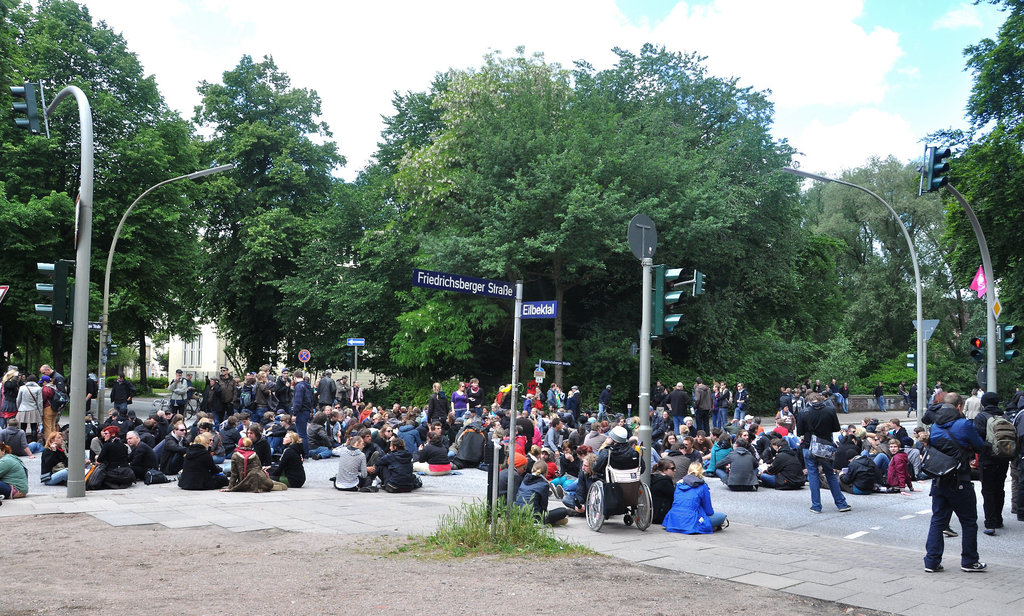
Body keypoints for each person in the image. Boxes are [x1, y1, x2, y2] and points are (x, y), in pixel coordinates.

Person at [924, 394, 989, 573]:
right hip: (959, 479)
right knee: (968, 521)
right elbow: (980, 446)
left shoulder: (935, 425)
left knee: (938, 521)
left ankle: (931, 562)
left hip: (938, 479)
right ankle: (969, 561)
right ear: (959, 407)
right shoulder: (964, 425)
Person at [797, 392, 851, 514]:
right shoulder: (830, 410)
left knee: (813, 475)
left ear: (809, 401)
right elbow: (836, 428)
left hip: (809, 446)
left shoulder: (803, 413)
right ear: (819, 399)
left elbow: (800, 432)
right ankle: (841, 503)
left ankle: (816, 506)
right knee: (830, 475)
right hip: (826, 446)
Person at [973, 392, 1010, 536]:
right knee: (999, 488)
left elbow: (977, 438)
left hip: (988, 459)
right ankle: (999, 519)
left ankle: (990, 522)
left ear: (983, 403)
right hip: (1003, 458)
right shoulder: (1005, 417)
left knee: (987, 490)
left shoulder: (981, 417)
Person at [663, 462, 727, 533]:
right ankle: (712, 526)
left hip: (674, 519)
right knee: (722, 516)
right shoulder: (703, 486)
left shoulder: (678, 484)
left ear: (688, 471)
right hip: (691, 520)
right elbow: (709, 511)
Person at [515, 460, 569, 526]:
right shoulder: (544, 484)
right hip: (535, 518)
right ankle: (550, 522)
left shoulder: (524, 480)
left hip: (519, 516)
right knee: (563, 511)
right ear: (546, 472)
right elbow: (544, 506)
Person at [15, 375, 44, 443]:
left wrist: (18, 408)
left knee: (22, 427)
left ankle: (22, 442)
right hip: (33, 409)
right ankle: (34, 442)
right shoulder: (39, 389)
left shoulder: (22, 388)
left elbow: (18, 400)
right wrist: (41, 412)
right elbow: (40, 402)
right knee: (34, 427)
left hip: (23, 409)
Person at [650, 458, 676, 524]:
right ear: (664, 470)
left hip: (652, 515)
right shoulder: (665, 481)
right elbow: (674, 496)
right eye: (672, 468)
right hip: (661, 517)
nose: (675, 470)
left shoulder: (654, 477)